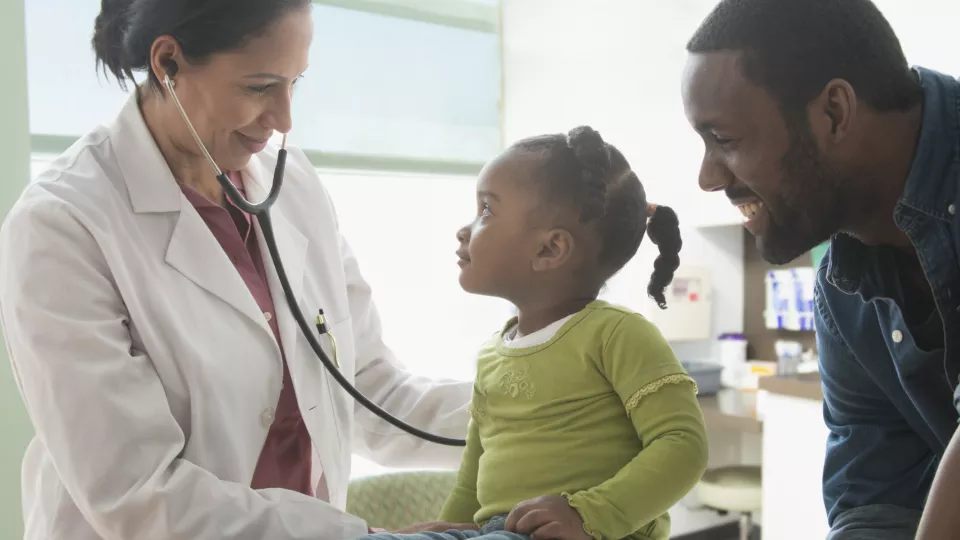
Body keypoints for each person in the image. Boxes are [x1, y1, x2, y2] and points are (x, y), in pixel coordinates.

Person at [0, 1, 475, 538]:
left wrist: (552, 408)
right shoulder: (63, 225)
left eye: (296, 82)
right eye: (259, 87)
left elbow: (370, 392)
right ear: (168, 62)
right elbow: (136, 493)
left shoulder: (294, 190)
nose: (285, 118)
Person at [680, 0, 960, 538]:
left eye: (725, 140)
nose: (708, 178)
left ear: (834, 112)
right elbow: (876, 497)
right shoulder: (841, 292)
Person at [358, 126, 709, 540]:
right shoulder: (494, 352)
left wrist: (590, 515)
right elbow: (475, 472)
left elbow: (683, 443)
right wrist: (451, 526)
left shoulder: (617, 334)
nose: (465, 229)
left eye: (486, 210)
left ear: (550, 249)